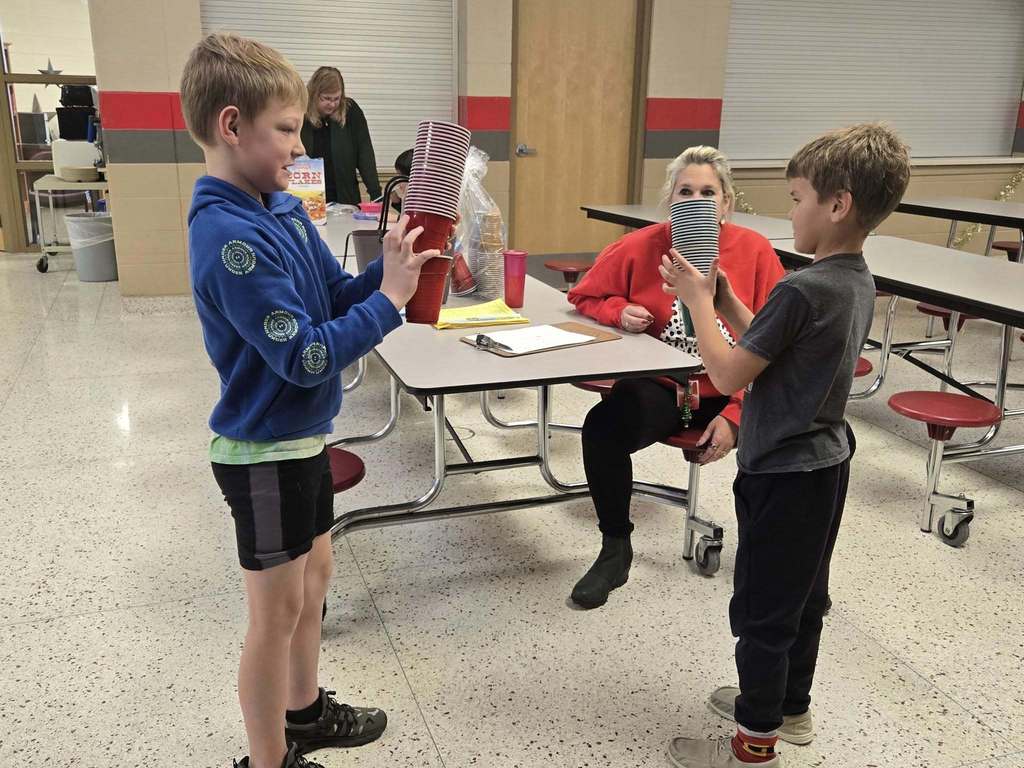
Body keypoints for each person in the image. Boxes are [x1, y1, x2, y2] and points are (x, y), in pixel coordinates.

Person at [180, 34, 436, 768]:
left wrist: (383, 274)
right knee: (275, 615)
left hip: (302, 440)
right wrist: (388, 305)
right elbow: (305, 355)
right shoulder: (229, 237)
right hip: (262, 451)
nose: (300, 147)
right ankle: (269, 759)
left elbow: (329, 298)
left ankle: (305, 710)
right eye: (287, 131)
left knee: (315, 581)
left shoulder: (281, 207)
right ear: (232, 126)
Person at [661, 123, 911, 768]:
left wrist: (694, 302)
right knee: (805, 597)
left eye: (798, 197)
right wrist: (729, 300)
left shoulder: (804, 287)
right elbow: (770, 345)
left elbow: (726, 373)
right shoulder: (851, 279)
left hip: (783, 472)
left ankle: (754, 742)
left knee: (761, 611)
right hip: (827, 463)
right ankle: (789, 707)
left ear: (838, 204)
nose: (791, 211)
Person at [565, 146, 785, 609]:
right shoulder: (641, 245)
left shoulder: (755, 252)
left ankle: (779, 571)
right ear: (670, 199)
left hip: (737, 387)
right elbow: (584, 295)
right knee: (603, 428)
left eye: (709, 192)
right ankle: (615, 547)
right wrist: (618, 310)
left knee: (789, 443)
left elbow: (775, 341)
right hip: (666, 388)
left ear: (727, 203)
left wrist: (737, 413)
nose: (697, 200)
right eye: (686, 191)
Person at [300, 66, 381, 205]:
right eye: (326, 98)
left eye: (336, 98)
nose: (332, 104)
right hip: (308, 198)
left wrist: (376, 194)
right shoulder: (301, 112)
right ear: (313, 94)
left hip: (345, 197)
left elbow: (365, 153)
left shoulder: (350, 111)